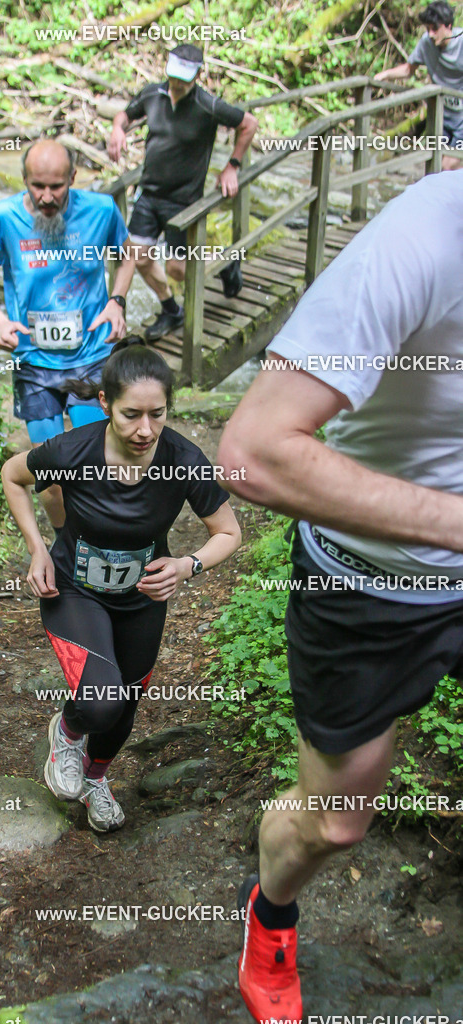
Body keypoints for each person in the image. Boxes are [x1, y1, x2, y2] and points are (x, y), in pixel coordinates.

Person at [216, 169, 463, 1022]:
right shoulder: (417, 240)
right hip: (374, 583)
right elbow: (253, 450)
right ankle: (269, 916)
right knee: (334, 825)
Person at [2, 340, 241, 832]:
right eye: (132, 414)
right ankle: (66, 734)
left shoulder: (183, 460)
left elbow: (230, 533)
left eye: (157, 414)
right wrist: (38, 549)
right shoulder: (75, 450)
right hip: (73, 590)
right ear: (106, 404)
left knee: (126, 703)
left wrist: (187, 566)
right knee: (99, 700)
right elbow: (13, 476)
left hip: (142, 601)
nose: (145, 429)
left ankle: (95, 780)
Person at [0, 139, 135, 527]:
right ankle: (68, 547)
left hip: (91, 358)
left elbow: (127, 255)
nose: (46, 196)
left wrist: (117, 301)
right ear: (24, 180)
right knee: (51, 477)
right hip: (34, 364)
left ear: (73, 179)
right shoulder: (3, 218)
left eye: (56, 187)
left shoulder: (101, 210)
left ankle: (104, 537)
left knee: (97, 464)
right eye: (36, 186)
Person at [107, 45, 258, 341]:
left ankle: (225, 263)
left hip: (183, 200)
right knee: (137, 257)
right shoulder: (153, 95)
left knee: (177, 269)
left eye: (185, 78)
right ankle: (170, 309)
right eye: (174, 76)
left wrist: (233, 166)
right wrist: (117, 130)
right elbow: (123, 115)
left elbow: (248, 124)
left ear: (198, 74)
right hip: (148, 195)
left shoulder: (207, 105)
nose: (178, 83)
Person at [375, 1, 463, 170]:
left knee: (447, 166)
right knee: (434, 168)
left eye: (435, 29)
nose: (430, 34)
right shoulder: (426, 43)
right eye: (427, 28)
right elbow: (408, 70)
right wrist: (385, 75)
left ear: (448, 26)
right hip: (440, 116)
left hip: (462, 117)